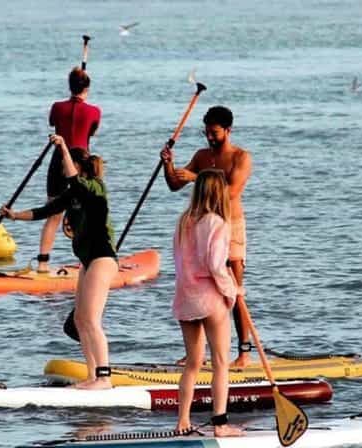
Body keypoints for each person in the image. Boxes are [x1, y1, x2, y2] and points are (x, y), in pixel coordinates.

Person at [0, 134, 116, 390]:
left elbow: (76, 181)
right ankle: (92, 376)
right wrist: (14, 216)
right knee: (81, 320)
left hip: (102, 258)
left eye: (67, 165)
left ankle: (104, 378)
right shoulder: (71, 195)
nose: (64, 170)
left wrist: (63, 146)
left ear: (79, 167)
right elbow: (44, 212)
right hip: (88, 262)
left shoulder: (95, 187)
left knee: (92, 320)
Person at [160, 105, 254, 368]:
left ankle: (244, 353)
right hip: (201, 227)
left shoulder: (241, 157)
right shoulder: (201, 155)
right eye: (206, 133)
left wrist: (195, 176)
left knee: (234, 291)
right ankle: (197, 353)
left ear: (228, 130)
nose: (210, 138)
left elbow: (231, 192)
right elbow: (174, 184)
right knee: (200, 286)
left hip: (231, 225)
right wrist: (169, 164)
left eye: (214, 133)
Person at [172, 169, 244, 437]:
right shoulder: (216, 222)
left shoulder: (183, 221)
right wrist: (232, 290)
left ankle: (182, 421)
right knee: (221, 362)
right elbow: (215, 265)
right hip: (209, 297)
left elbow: (181, 263)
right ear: (218, 192)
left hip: (185, 297)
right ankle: (220, 425)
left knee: (193, 363)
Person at [38, 67, 102, 273]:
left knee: (53, 213)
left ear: (70, 85)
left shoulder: (57, 107)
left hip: (58, 162)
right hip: (80, 164)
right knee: (87, 212)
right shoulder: (94, 111)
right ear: (87, 87)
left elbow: (53, 123)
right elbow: (93, 131)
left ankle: (42, 263)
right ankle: (91, 259)